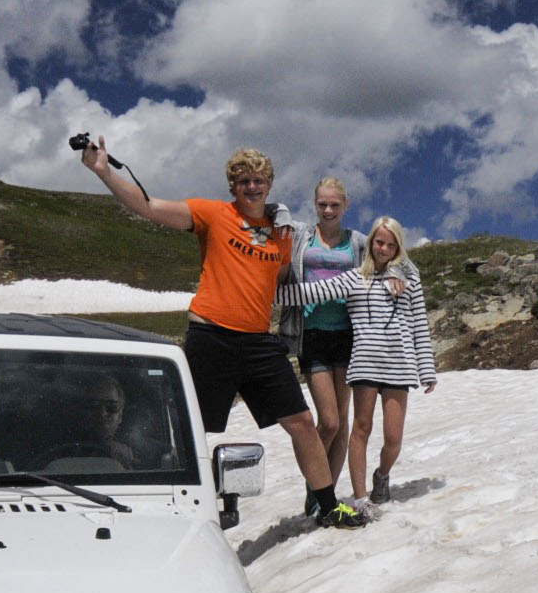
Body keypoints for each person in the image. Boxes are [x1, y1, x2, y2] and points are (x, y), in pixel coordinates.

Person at [78, 137, 366, 529]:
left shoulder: (282, 233)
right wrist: (104, 172)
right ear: (233, 186)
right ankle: (160, 505)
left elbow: (292, 276)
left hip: (260, 342)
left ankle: (327, 505)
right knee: (191, 427)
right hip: (211, 337)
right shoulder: (211, 214)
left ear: (270, 184)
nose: (252, 186)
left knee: (301, 421)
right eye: (243, 180)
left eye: (259, 180)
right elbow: (148, 207)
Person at [279, 216, 435, 511]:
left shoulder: (408, 279)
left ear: (398, 246)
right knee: (360, 429)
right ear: (370, 243)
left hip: (398, 365)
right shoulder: (355, 278)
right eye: (379, 242)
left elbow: (419, 326)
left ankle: (382, 474)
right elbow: (312, 292)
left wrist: (426, 369)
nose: (384, 248)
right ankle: (361, 497)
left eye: (391, 244)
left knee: (393, 440)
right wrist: (259, 292)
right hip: (363, 363)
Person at [295, 177, 364, 499]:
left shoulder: (358, 242)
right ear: (315, 204)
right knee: (330, 422)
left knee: (342, 421)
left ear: (345, 206)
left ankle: (328, 495)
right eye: (322, 204)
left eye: (334, 205)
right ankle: (317, 488)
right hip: (311, 334)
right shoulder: (302, 238)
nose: (327, 210)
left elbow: (392, 258)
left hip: (348, 336)